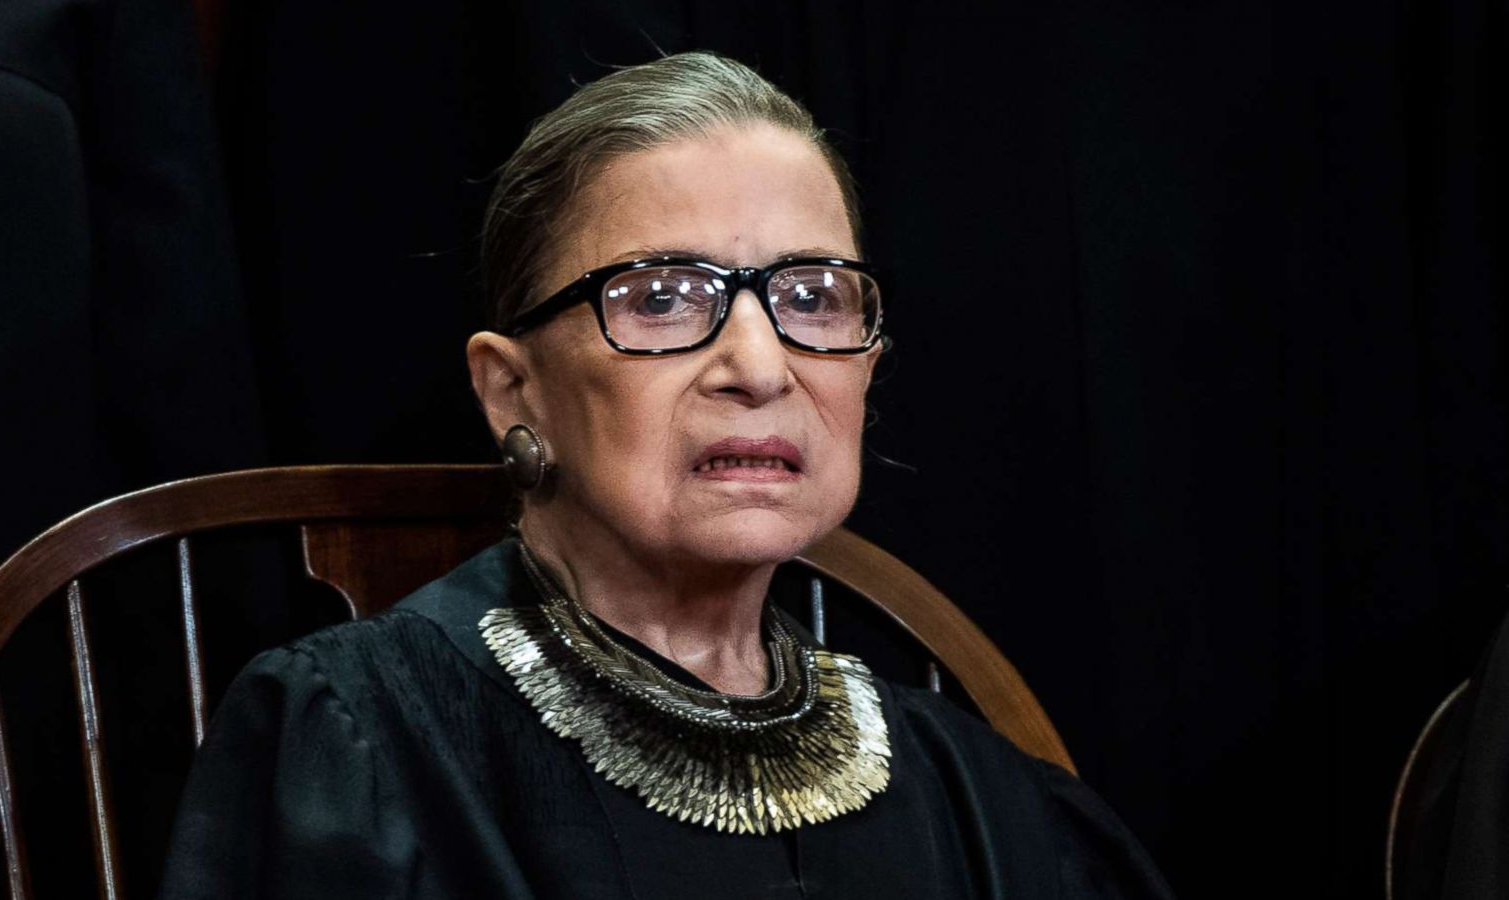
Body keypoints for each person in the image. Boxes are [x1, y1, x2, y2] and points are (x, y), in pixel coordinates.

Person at [159, 51, 1175, 899]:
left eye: (814, 296)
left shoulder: (977, 795)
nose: (759, 367)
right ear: (514, 391)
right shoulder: (359, 748)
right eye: (662, 298)